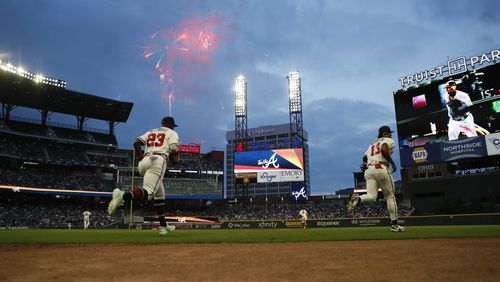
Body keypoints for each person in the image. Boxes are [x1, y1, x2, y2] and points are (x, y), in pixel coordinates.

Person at [108, 116, 180, 236]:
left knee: (159, 196)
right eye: (173, 125)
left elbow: (136, 142)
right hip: (158, 160)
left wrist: (142, 157)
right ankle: (122, 195)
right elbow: (173, 148)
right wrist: (176, 156)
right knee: (149, 193)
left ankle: (164, 226)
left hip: (144, 161)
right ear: (171, 125)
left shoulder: (152, 131)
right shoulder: (172, 132)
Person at [347, 125, 405, 232]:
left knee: (371, 196)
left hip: (369, 170)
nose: (391, 134)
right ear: (384, 134)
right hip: (381, 167)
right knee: (390, 196)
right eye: (389, 132)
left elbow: (364, 158)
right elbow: (383, 149)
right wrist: (392, 163)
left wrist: (365, 164)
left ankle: (358, 199)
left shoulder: (372, 143)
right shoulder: (388, 140)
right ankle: (395, 225)